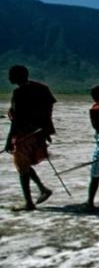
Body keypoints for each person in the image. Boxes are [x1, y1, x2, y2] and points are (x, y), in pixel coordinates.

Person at [4, 65, 55, 210]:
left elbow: (17, 120)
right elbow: (48, 111)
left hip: (23, 135)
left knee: (22, 167)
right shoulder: (42, 88)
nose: (8, 78)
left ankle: (29, 202)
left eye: (11, 75)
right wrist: (47, 132)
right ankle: (42, 189)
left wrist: (9, 140)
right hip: (38, 133)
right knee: (24, 166)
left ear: (18, 76)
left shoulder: (19, 93)